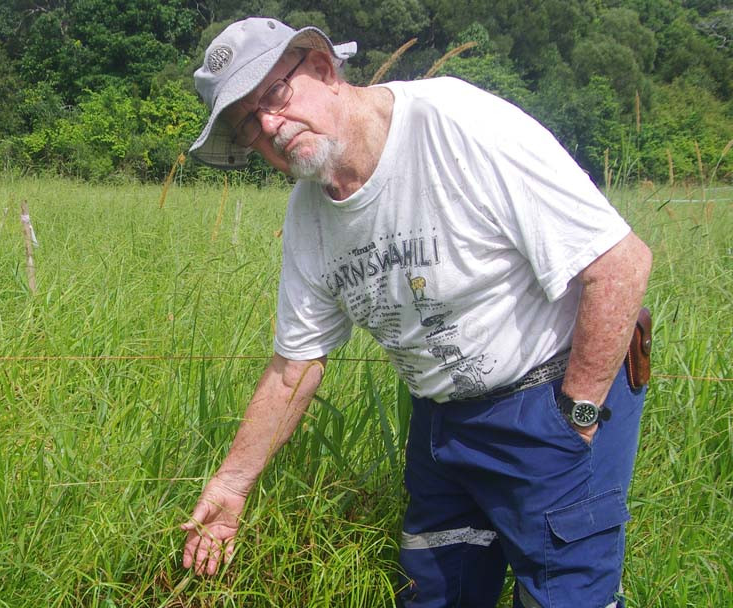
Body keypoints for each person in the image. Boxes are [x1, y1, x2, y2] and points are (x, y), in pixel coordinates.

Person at [181, 16, 652, 608]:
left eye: (274, 95)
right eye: (249, 122)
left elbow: (620, 263)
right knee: (434, 592)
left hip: (552, 391)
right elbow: (296, 364)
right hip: (442, 420)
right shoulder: (309, 217)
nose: (270, 126)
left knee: (561, 596)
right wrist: (231, 486)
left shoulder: (456, 123)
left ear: (324, 70)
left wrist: (578, 415)